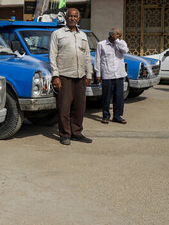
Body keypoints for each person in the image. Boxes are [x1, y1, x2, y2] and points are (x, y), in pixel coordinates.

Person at [49, 8, 93, 145]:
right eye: (70, 16)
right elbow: (52, 56)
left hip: (80, 75)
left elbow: (87, 56)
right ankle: (65, 134)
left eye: (75, 16)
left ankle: (77, 132)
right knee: (64, 107)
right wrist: (55, 76)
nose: (72, 18)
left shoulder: (83, 35)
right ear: (66, 18)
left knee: (80, 107)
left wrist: (89, 74)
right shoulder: (57, 34)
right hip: (64, 75)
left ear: (78, 18)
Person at [95, 28, 128, 124]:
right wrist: (98, 74)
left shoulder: (121, 43)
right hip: (107, 74)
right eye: (119, 35)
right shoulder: (101, 44)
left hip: (119, 74)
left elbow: (125, 51)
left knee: (119, 97)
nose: (120, 37)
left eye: (121, 36)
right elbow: (98, 60)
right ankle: (106, 116)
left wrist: (117, 41)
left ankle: (117, 116)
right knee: (106, 97)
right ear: (112, 35)